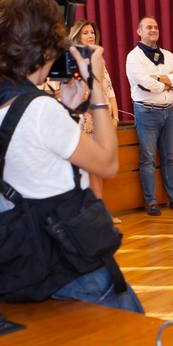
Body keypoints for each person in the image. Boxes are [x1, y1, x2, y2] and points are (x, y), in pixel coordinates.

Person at [0, 0, 142, 313]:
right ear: (42, 46)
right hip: (71, 257)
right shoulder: (41, 109)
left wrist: (70, 111)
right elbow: (108, 163)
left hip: (23, 253)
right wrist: (98, 85)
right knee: (128, 345)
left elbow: (33, 156)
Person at [125, 16, 173, 214]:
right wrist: (168, 81)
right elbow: (145, 83)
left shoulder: (168, 55)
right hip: (146, 112)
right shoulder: (133, 57)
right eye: (148, 27)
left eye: (155, 27)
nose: (153, 30)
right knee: (148, 158)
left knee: (170, 157)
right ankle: (151, 202)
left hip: (168, 112)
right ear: (139, 32)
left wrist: (161, 79)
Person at [67, 20, 120, 216]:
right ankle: (94, 211)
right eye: (85, 33)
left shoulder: (97, 60)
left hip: (100, 118)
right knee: (88, 167)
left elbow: (108, 89)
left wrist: (113, 115)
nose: (91, 36)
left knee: (99, 167)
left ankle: (100, 207)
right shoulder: (73, 61)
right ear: (76, 36)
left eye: (92, 32)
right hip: (84, 117)